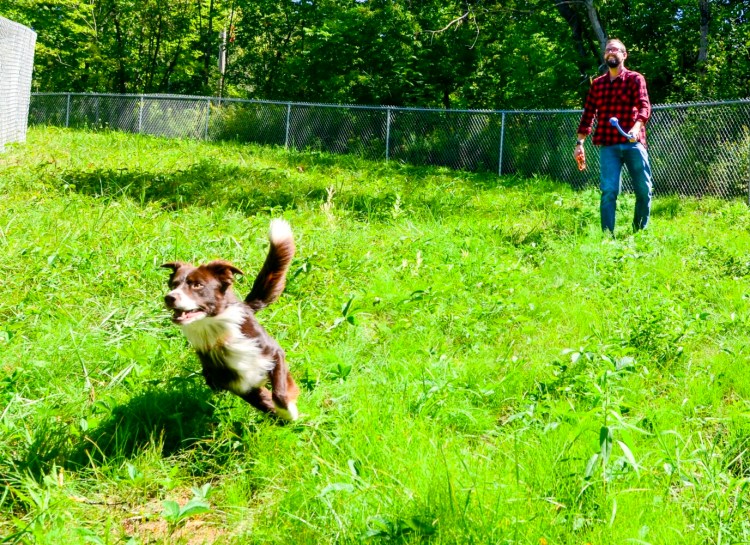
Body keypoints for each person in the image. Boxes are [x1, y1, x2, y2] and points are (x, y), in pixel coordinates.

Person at [574, 38, 653, 234]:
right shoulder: (598, 85)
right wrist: (579, 143)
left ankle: (639, 232)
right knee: (609, 191)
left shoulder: (635, 79)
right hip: (609, 145)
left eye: (616, 50)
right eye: (608, 49)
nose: (611, 52)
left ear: (624, 55)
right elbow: (588, 115)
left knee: (644, 190)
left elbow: (644, 106)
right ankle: (608, 236)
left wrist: (636, 127)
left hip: (633, 143)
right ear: (604, 56)